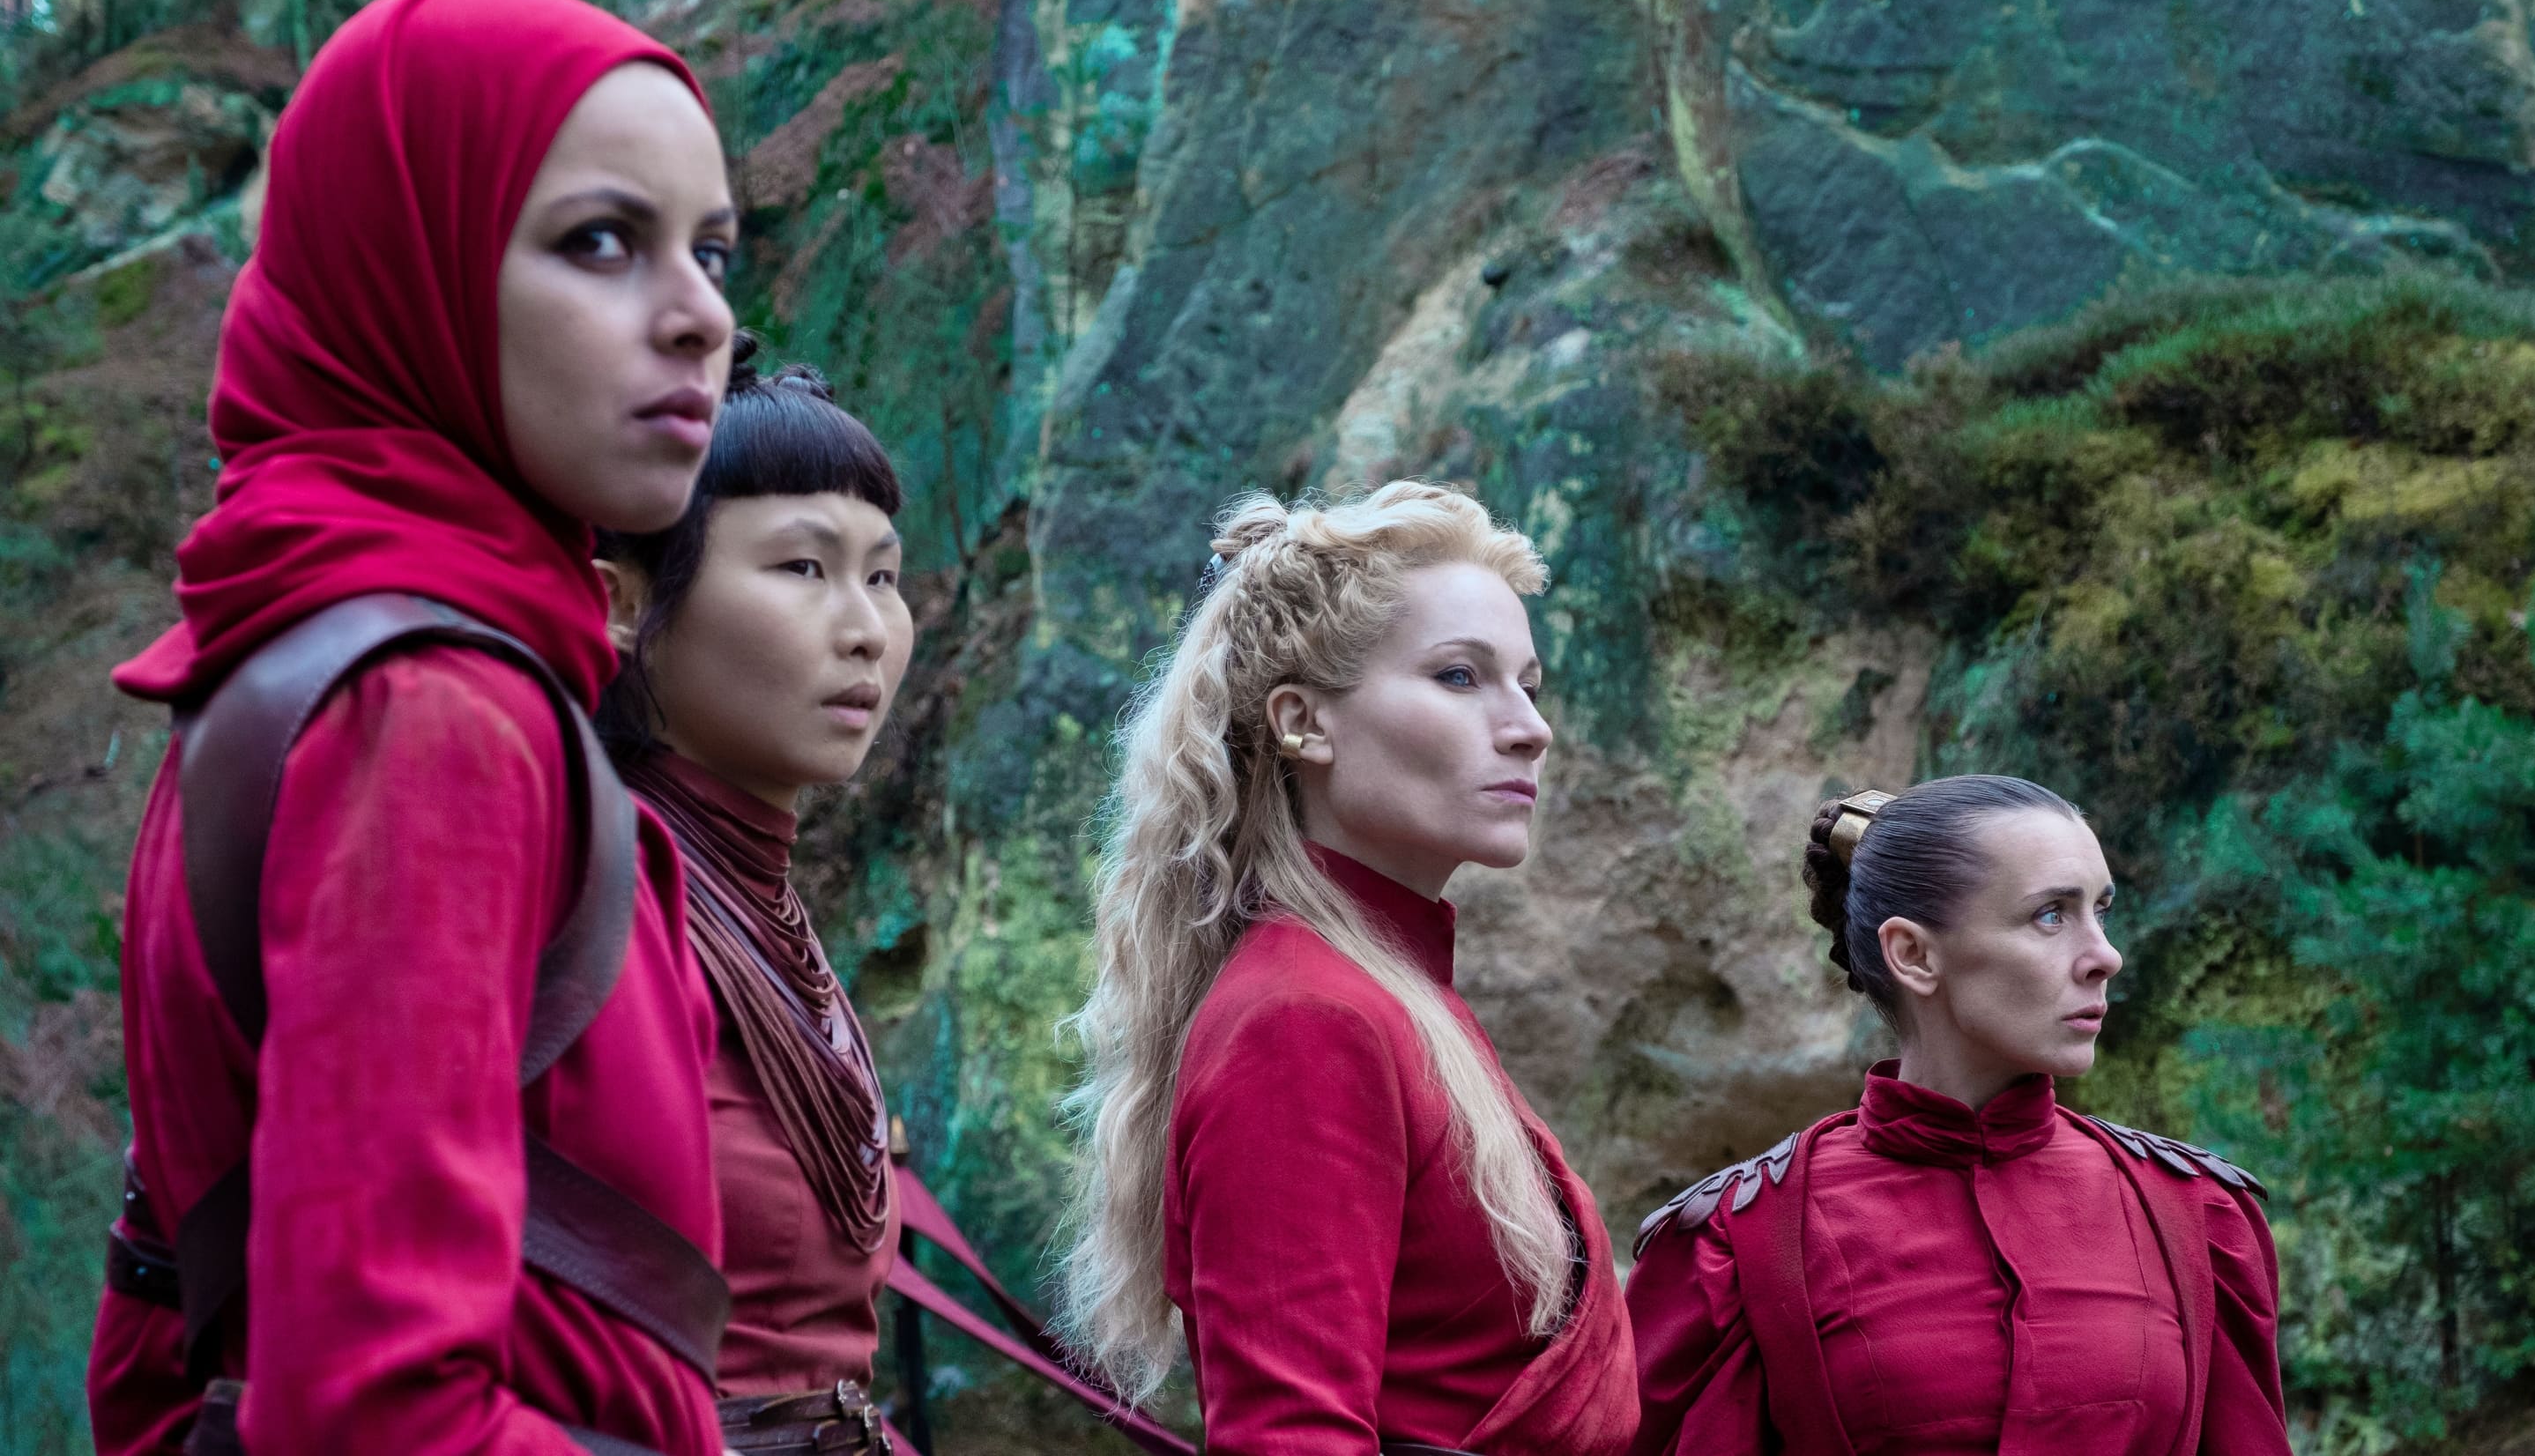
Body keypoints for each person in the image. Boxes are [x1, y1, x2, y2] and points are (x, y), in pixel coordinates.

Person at [85, 0, 739, 1452]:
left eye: (710, 251)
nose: (701, 316)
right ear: (409, 264)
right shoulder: (431, 712)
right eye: (600, 241)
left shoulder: (287, 655)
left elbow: (152, 1336)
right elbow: (376, 1412)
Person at [1056, 481, 1639, 1456]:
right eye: (1462, 676)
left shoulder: (1386, 990)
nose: (1530, 726)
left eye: (1528, 684)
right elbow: (1291, 1438)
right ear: (1303, 722)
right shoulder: (1304, 1018)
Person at [1625, 776, 2290, 1456]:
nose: (2105, 957)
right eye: (2051, 916)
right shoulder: (1738, 1244)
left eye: (2101, 911)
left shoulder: (2193, 1215)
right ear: (1914, 954)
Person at [591, 340, 912, 1454]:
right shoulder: (600, 897)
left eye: (883, 575)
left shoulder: (757, 905)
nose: (865, 626)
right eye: (803, 566)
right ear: (626, 601)